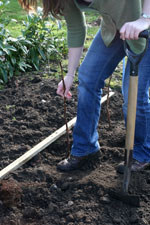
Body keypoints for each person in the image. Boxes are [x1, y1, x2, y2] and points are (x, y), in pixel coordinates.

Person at [19, 0, 150, 173]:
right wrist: (69, 74)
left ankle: (142, 153)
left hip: (144, 27)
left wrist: (145, 18)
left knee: (134, 94)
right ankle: (85, 148)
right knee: (88, 77)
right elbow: (76, 28)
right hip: (114, 29)